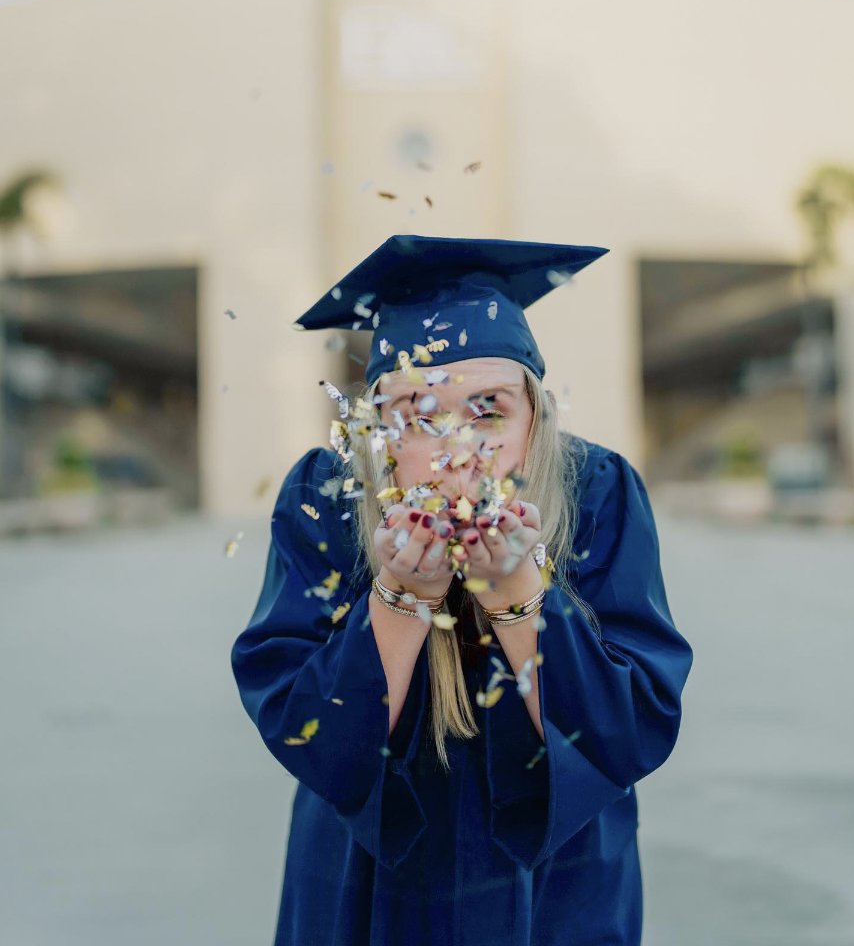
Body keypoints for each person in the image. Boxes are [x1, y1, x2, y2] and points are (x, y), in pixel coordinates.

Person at [230, 234, 694, 945]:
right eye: (418, 414)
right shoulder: (325, 493)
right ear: (379, 429)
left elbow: (627, 734)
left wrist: (518, 594)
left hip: (554, 878)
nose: (458, 450)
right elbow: (309, 736)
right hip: (370, 878)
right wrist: (401, 597)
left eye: (488, 409)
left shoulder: (596, 491)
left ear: (534, 415)